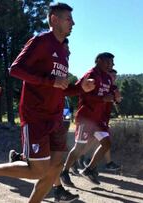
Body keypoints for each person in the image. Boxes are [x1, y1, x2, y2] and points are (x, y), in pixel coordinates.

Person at [0, 3, 94, 202]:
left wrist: (81, 87)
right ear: (54, 19)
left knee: (55, 168)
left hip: (55, 117)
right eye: (68, 19)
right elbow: (15, 69)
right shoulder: (41, 41)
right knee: (38, 170)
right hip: (35, 114)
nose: (73, 23)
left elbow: (60, 87)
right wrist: (49, 81)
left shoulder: (63, 51)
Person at [60, 52, 116, 186]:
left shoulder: (108, 78)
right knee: (79, 147)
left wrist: (115, 97)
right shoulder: (91, 75)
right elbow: (81, 92)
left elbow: (109, 94)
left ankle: (89, 170)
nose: (111, 65)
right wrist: (102, 99)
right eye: (108, 62)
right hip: (86, 118)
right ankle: (64, 172)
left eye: (112, 63)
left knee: (107, 143)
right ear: (98, 61)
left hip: (98, 120)